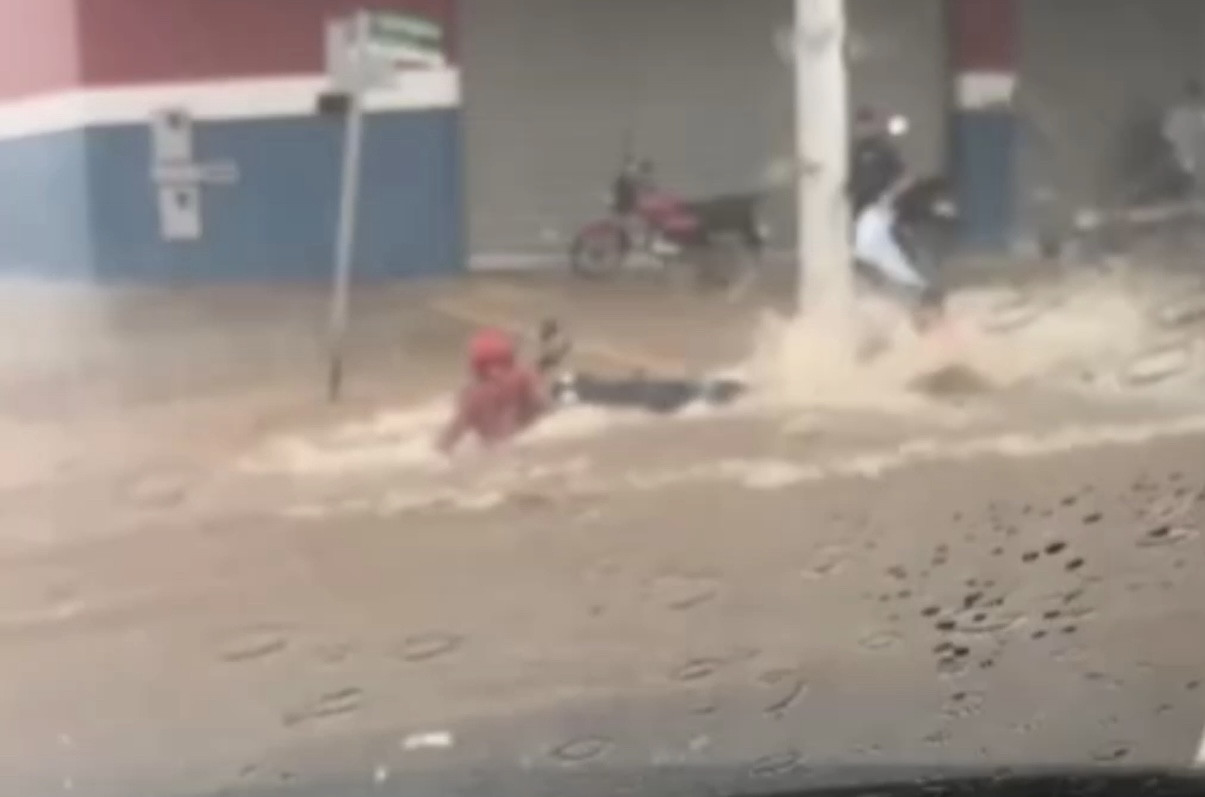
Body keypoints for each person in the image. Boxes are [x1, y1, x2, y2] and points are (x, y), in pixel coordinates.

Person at [848, 106, 943, 331]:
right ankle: (915, 305)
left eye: (867, 123)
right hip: (864, 216)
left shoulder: (883, 149)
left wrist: (886, 200)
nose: (863, 128)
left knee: (886, 260)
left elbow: (907, 176)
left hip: (881, 215)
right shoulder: (856, 151)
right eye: (860, 124)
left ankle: (924, 302)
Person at [435, 328, 548, 455]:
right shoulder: (523, 375)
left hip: (492, 446)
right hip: (520, 439)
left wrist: (440, 449)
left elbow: (453, 433)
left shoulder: (471, 394)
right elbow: (542, 403)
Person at [1162, 79, 1205, 199]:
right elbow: (1168, 142)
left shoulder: (1201, 115)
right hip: (1181, 164)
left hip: (1195, 165)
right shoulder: (1177, 115)